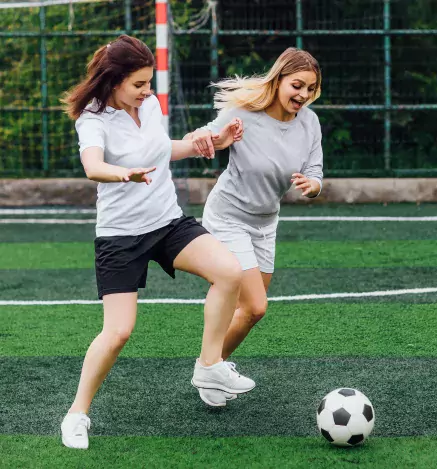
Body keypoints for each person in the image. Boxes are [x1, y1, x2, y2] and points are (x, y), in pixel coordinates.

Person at [59, 35, 254, 450]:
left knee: (229, 272)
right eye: (139, 84)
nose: (147, 91)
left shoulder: (148, 106)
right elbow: (93, 165)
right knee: (118, 332)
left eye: (149, 83)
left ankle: (209, 366)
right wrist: (121, 174)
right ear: (113, 81)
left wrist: (211, 143)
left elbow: (164, 150)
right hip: (120, 236)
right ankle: (77, 413)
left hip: (167, 222)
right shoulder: (92, 119)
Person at [184, 47, 323, 406]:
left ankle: (211, 373)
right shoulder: (243, 112)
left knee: (246, 313)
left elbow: (315, 172)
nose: (303, 95)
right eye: (296, 85)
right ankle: (208, 368)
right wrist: (209, 139)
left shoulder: (309, 122)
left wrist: (314, 186)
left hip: (266, 222)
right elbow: (206, 138)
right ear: (278, 80)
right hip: (228, 216)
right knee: (256, 306)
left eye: (310, 88)